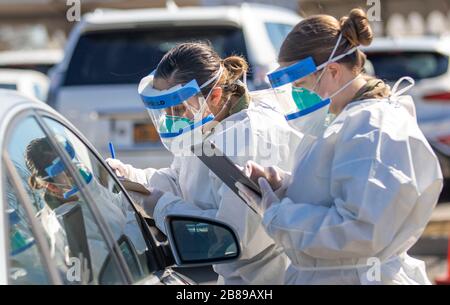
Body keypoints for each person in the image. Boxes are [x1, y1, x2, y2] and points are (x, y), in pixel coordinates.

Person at [236, 8, 444, 284]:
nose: (298, 95)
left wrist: (276, 213)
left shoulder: (371, 126)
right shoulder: (346, 121)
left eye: (300, 84)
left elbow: (359, 230)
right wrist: (283, 186)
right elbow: (336, 191)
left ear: (332, 71)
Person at [106, 42, 303, 284]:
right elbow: (183, 183)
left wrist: (159, 206)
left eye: (177, 108)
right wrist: (129, 178)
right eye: (165, 111)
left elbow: (234, 236)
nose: (170, 119)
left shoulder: (247, 136)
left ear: (216, 95)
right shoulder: (208, 124)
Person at [25, 136, 128, 282]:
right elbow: (111, 275)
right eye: (63, 169)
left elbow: (115, 205)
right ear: (51, 186)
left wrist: (127, 179)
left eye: (70, 161)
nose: (72, 169)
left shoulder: (86, 190)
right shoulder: (71, 227)